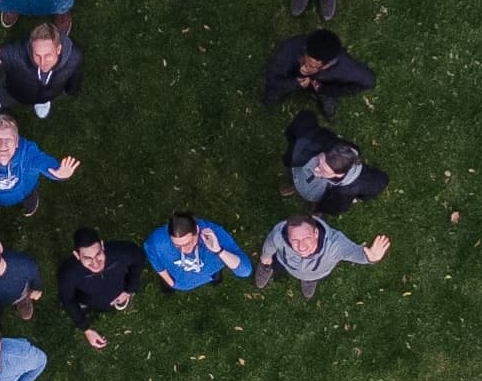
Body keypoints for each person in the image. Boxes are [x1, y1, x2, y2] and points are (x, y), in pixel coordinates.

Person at [256, 213, 391, 299]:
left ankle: (309, 280)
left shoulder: (335, 245)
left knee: (312, 276)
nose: (301, 247)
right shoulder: (279, 233)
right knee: (272, 263)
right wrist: (265, 257)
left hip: (317, 272)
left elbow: (353, 252)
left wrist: (371, 258)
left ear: (316, 233)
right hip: (286, 263)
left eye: (306, 238)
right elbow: (271, 242)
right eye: (294, 240)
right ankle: (266, 267)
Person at [282, 111, 389, 215]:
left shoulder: (354, 187)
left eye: (324, 170)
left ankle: (315, 206)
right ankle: (295, 186)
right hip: (300, 173)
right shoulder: (321, 140)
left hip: (319, 195)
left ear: (339, 174)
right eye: (319, 161)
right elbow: (304, 118)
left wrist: (358, 198)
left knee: (319, 204)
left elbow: (382, 180)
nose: (315, 169)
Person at [0, 23, 83, 122]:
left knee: (45, 96)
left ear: (58, 49)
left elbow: (75, 73)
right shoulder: (17, 53)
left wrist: (71, 90)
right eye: (37, 55)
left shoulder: (74, 56)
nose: (42, 62)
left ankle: (42, 101)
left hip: (49, 92)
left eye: (47, 55)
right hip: (13, 90)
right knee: (5, 95)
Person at [56, 227, 145, 348]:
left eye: (98, 254)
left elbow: (138, 257)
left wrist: (129, 289)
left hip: (119, 288)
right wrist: (86, 329)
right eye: (87, 258)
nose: (96, 263)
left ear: (102, 245)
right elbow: (68, 300)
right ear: (77, 255)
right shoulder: (68, 273)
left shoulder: (120, 252)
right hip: (89, 298)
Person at [263, 29, 375, 118]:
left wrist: (329, 90)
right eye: (304, 60)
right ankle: (275, 95)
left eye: (310, 66)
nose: (303, 67)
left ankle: (326, 96)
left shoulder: (346, 68)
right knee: (275, 90)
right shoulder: (290, 48)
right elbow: (272, 77)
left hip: (323, 84)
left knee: (328, 95)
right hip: (291, 76)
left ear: (326, 65)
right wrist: (295, 83)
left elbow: (368, 81)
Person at [143, 212, 252, 294]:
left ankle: (215, 278)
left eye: (188, 243)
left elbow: (245, 271)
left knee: (216, 278)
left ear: (197, 230)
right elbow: (151, 252)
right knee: (167, 288)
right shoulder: (157, 239)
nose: (184, 250)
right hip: (178, 279)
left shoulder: (215, 234)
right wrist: (170, 281)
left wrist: (218, 250)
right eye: (177, 245)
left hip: (211, 270)